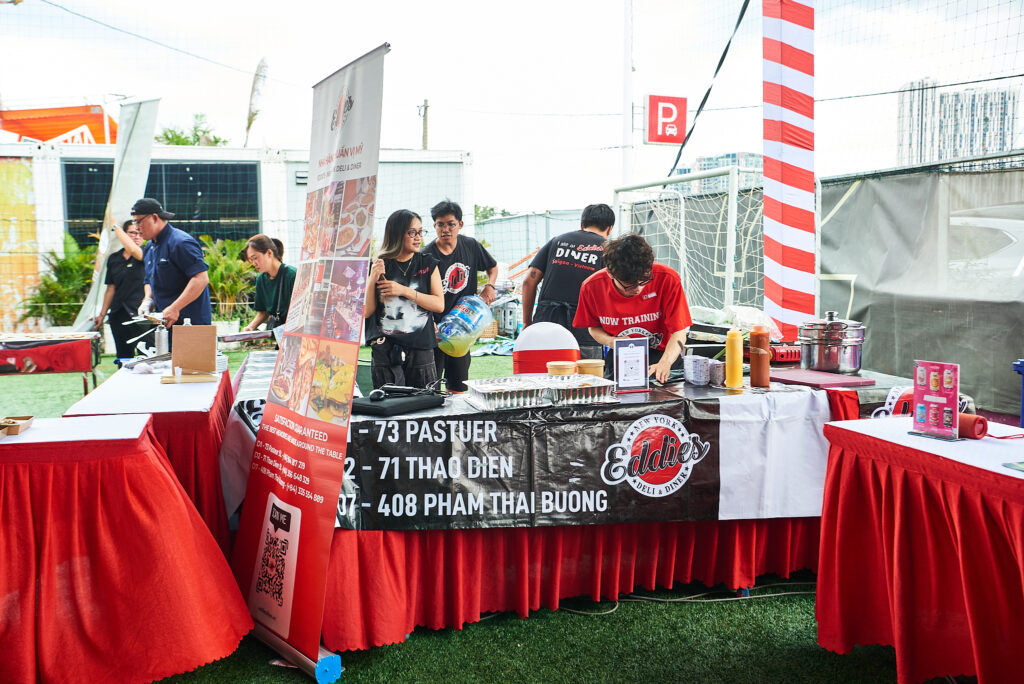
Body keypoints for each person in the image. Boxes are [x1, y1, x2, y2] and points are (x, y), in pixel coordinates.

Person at [573, 233, 692, 383]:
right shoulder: (591, 287)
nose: (638, 289)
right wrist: (611, 341)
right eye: (629, 285)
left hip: (664, 355)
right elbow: (593, 328)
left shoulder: (668, 279)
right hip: (620, 355)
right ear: (610, 273)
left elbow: (679, 331)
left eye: (644, 281)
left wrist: (666, 362)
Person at [363, 209, 445, 389]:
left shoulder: (427, 262)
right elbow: (367, 311)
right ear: (397, 234)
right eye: (412, 232)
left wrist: (404, 291)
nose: (418, 237)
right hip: (386, 351)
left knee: (424, 409)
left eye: (420, 231)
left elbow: (439, 305)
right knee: (390, 408)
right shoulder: (378, 265)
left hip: (421, 348)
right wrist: (372, 279)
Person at [422, 199, 498, 392]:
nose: (445, 229)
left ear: (460, 225)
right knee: (431, 387)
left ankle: (455, 421)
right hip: (435, 329)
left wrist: (490, 285)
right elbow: (420, 294)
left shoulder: (471, 245)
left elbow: (493, 267)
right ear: (434, 226)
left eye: (450, 224)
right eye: (440, 224)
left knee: (458, 386)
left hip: (463, 330)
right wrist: (429, 321)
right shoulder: (426, 256)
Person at [521, 203, 614, 359]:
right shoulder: (608, 249)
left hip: (545, 324)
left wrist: (526, 322)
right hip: (585, 330)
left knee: (544, 379)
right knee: (586, 381)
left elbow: (528, 282)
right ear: (609, 229)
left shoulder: (557, 241)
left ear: (582, 224)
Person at [133, 198, 213, 327]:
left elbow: (201, 278)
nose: (136, 228)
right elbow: (149, 280)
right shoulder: (149, 247)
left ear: (154, 217)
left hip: (191, 324)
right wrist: (148, 299)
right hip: (165, 322)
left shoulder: (180, 243)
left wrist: (175, 307)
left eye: (138, 222)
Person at [94, 219, 149, 358]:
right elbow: (111, 288)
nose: (136, 236)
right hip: (118, 313)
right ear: (125, 234)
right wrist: (102, 314)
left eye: (139, 233)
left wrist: (114, 226)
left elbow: (134, 250)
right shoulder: (114, 259)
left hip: (141, 313)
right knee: (123, 356)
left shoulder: (147, 253)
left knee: (147, 353)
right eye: (132, 233)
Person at [241, 234, 296, 332]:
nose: (254, 264)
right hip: (279, 334)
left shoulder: (292, 275)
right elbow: (263, 312)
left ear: (269, 253)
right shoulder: (261, 279)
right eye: (251, 260)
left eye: (255, 258)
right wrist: (251, 327)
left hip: (296, 333)